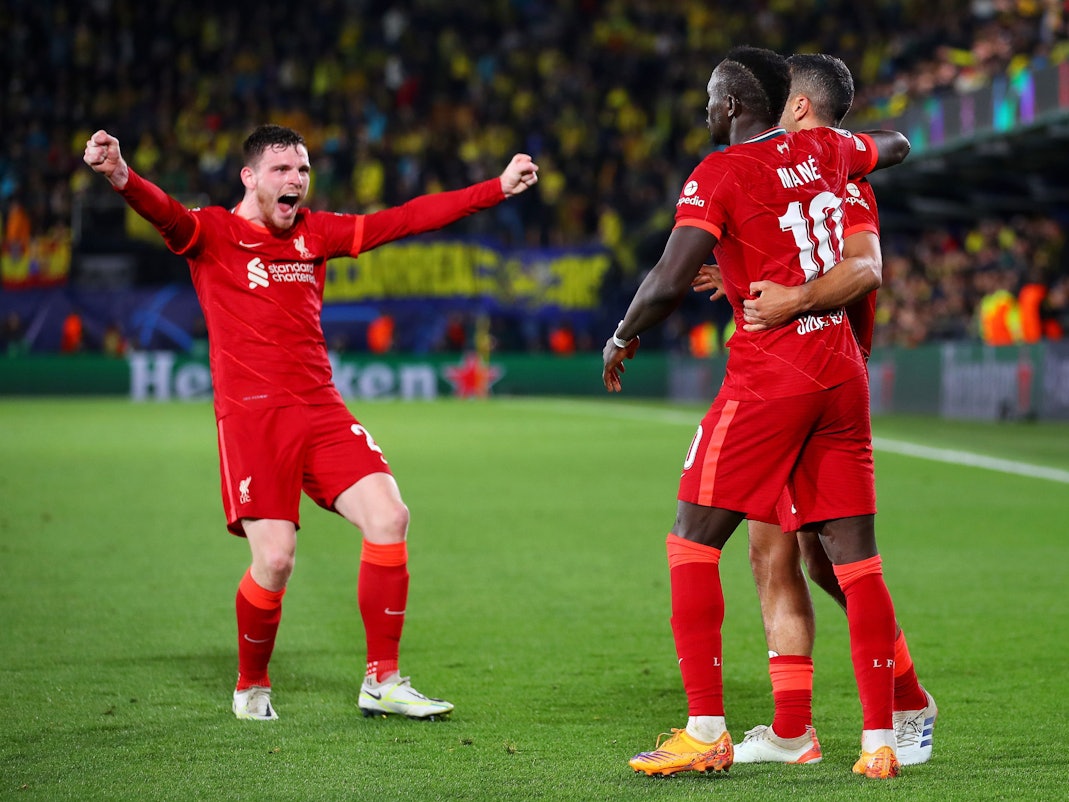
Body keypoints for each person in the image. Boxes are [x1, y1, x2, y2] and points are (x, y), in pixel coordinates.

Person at [83, 125, 538, 721]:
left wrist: (496, 189)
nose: (295, 180)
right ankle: (251, 685)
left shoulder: (315, 233)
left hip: (321, 409)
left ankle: (383, 680)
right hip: (253, 419)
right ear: (249, 177)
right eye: (281, 170)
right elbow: (164, 211)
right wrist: (119, 172)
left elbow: (404, 219)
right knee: (274, 560)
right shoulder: (214, 233)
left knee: (389, 516)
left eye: (301, 169)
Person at [602, 46, 911, 779]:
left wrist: (622, 334)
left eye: (713, 98)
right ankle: (877, 744)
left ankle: (704, 728)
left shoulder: (719, 170)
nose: (707, 110)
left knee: (690, 539)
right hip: (841, 368)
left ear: (734, 104)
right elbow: (892, 144)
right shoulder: (829, 148)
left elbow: (667, 276)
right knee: (852, 559)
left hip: (773, 371)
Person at [691, 54, 937, 768]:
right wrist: (735, 274)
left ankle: (908, 698)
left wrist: (793, 298)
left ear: (798, 107)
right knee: (768, 553)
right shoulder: (786, 171)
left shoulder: (843, 175)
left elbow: (863, 267)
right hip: (781, 383)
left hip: (822, 382)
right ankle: (792, 730)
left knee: (830, 564)